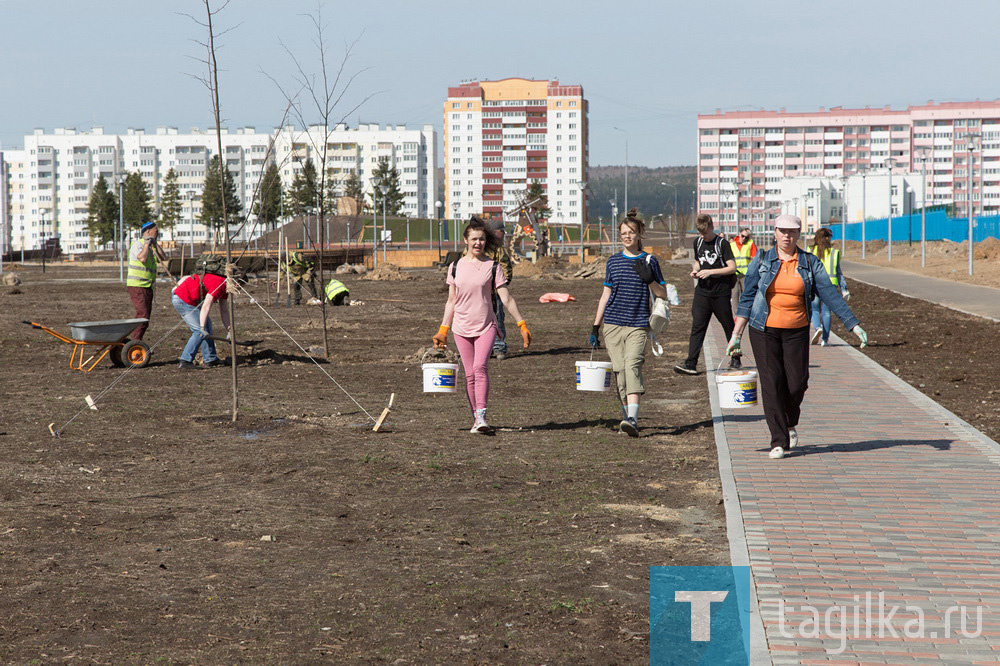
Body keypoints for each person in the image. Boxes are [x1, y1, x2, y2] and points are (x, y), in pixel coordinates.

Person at [726, 214, 869, 460]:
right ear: (774, 233)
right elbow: (747, 299)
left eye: (791, 232)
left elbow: (830, 294)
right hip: (763, 329)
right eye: (782, 231)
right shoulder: (760, 261)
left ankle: (789, 420)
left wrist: (852, 324)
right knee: (771, 382)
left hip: (797, 329)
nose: (786, 236)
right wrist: (736, 335)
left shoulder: (809, 262)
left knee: (797, 381)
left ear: (799, 234)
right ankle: (778, 441)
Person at [433, 217, 531, 433]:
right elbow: (451, 301)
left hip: (486, 325)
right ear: (466, 240)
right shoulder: (455, 267)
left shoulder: (493, 267)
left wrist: (521, 324)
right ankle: (476, 418)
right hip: (460, 327)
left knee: (480, 368)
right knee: (469, 374)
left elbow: (507, 299)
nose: (478, 243)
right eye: (474, 239)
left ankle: (482, 416)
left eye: (482, 239)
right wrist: (443, 330)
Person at [589, 208, 669, 438]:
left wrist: (650, 280)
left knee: (633, 365)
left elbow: (663, 294)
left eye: (631, 232)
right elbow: (605, 296)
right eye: (623, 233)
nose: (627, 236)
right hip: (612, 325)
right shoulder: (613, 262)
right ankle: (627, 417)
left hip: (637, 324)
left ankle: (633, 417)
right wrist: (596, 326)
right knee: (620, 372)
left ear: (639, 234)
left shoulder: (650, 261)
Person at [675, 214, 740, 375]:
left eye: (705, 233)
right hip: (702, 292)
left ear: (712, 227)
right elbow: (698, 261)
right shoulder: (697, 242)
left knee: (728, 325)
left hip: (720, 292)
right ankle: (691, 363)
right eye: (700, 233)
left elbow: (732, 267)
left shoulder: (722, 243)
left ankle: (736, 356)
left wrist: (711, 272)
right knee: (698, 326)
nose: (703, 236)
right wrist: (695, 270)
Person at [171, 258, 231, 369]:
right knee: (199, 330)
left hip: (191, 300)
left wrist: (230, 330)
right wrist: (202, 327)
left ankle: (211, 359)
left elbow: (224, 310)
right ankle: (185, 361)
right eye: (238, 285)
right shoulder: (220, 284)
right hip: (182, 298)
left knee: (207, 326)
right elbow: (206, 305)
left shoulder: (226, 287)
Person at [127, 221, 168, 341]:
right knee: (142, 316)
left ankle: (137, 342)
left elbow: (163, 258)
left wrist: (155, 244)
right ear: (148, 231)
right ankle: (135, 343)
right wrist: (146, 244)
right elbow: (142, 258)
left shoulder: (151, 247)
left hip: (147, 286)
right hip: (137, 285)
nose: (158, 232)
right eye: (156, 230)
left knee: (146, 317)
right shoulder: (138, 245)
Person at [808, 227, 849, 346]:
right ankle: (825, 340)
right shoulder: (835, 253)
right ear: (827, 238)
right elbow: (838, 272)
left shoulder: (810, 250)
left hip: (815, 284)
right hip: (831, 285)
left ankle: (817, 328)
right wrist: (844, 289)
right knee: (826, 312)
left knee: (815, 309)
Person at [481, 219, 514, 360]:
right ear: (495, 232)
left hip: (494, 291)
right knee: (484, 319)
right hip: (481, 292)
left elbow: (505, 268)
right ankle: (489, 348)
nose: (504, 234)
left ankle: (497, 347)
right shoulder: (491, 248)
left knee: (497, 318)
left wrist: (501, 285)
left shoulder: (498, 249)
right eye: (502, 231)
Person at [730, 226, 758, 313]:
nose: (744, 238)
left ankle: (745, 312)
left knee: (746, 294)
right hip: (734, 274)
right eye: (742, 236)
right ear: (739, 234)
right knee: (735, 294)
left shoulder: (750, 244)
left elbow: (755, 258)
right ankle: (736, 314)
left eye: (746, 237)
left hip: (746, 274)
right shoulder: (732, 245)